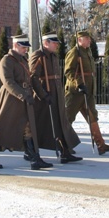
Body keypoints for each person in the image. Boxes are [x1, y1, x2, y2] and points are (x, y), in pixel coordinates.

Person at [0, 34, 53, 170]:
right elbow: (8, 81)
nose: (26, 49)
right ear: (15, 45)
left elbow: (30, 79)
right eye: (23, 47)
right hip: (11, 100)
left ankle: (34, 159)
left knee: (28, 129)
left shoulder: (23, 60)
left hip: (24, 99)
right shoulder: (6, 60)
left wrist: (42, 95)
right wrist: (23, 95)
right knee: (2, 128)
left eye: (26, 47)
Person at [29, 33, 82, 164]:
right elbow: (33, 78)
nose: (57, 45)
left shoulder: (53, 56)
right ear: (46, 43)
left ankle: (65, 151)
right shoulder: (38, 56)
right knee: (39, 126)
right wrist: (43, 95)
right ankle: (29, 150)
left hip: (56, 95)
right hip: (44, 96)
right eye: (54, 42)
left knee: (61, 123)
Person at [64, 30, 109, 155]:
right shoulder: (74, 53)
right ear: (79, 40)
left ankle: (101, 145)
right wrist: (79, 83)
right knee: (67, 119)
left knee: (93, 116)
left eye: (89, 38)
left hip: (88, 92)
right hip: (75, 93)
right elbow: (69, 72)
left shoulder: (87, 52)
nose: (89, 40)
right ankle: (64, 146)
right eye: (86, 38)